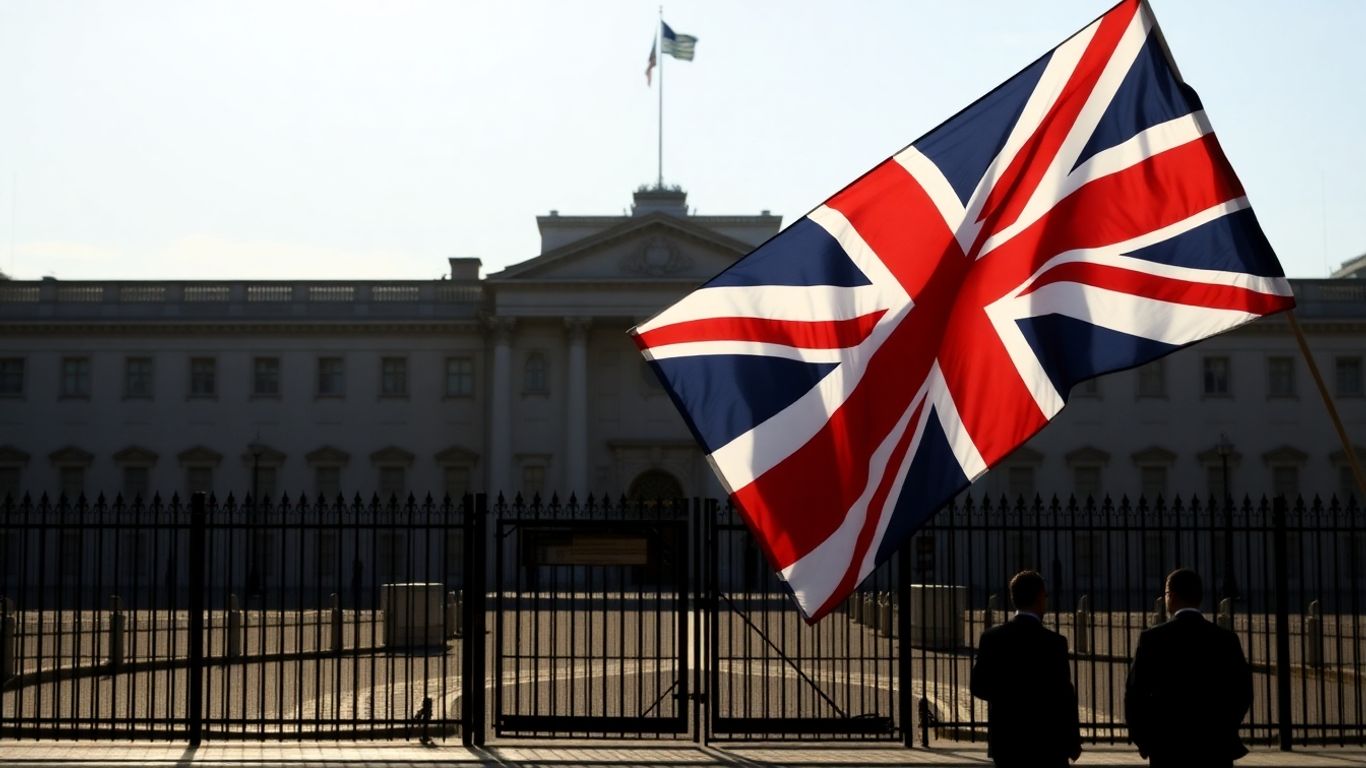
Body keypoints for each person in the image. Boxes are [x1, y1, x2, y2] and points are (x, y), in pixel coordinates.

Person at [1125, 568, 1253, 767]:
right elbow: (1243, 692)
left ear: (1172, 596)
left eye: (1166, 593)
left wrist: (1145, 741)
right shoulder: (1226, 639)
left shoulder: (1152, 638)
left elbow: (1134, 694)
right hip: (1215, 744)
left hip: (1167, 744)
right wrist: (1225, 728)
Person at [971, 570, 1082, 767]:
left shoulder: (991, 638)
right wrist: (1072, 742)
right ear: (1040, 597)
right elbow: (1065, 696)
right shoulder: (1054, 643)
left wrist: (1007, 695)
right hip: (1047, 741)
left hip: (1006, 739)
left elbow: (978, 686)